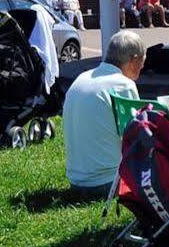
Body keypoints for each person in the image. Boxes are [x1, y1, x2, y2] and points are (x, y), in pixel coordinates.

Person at [60, 29, 146, 192]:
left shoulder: (81, 78)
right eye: (141, 65)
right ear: (134, 60)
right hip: (107, 182)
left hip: (76, 180)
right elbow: (137, 138)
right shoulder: (123, 84)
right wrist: (165, 116)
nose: (140, 71)